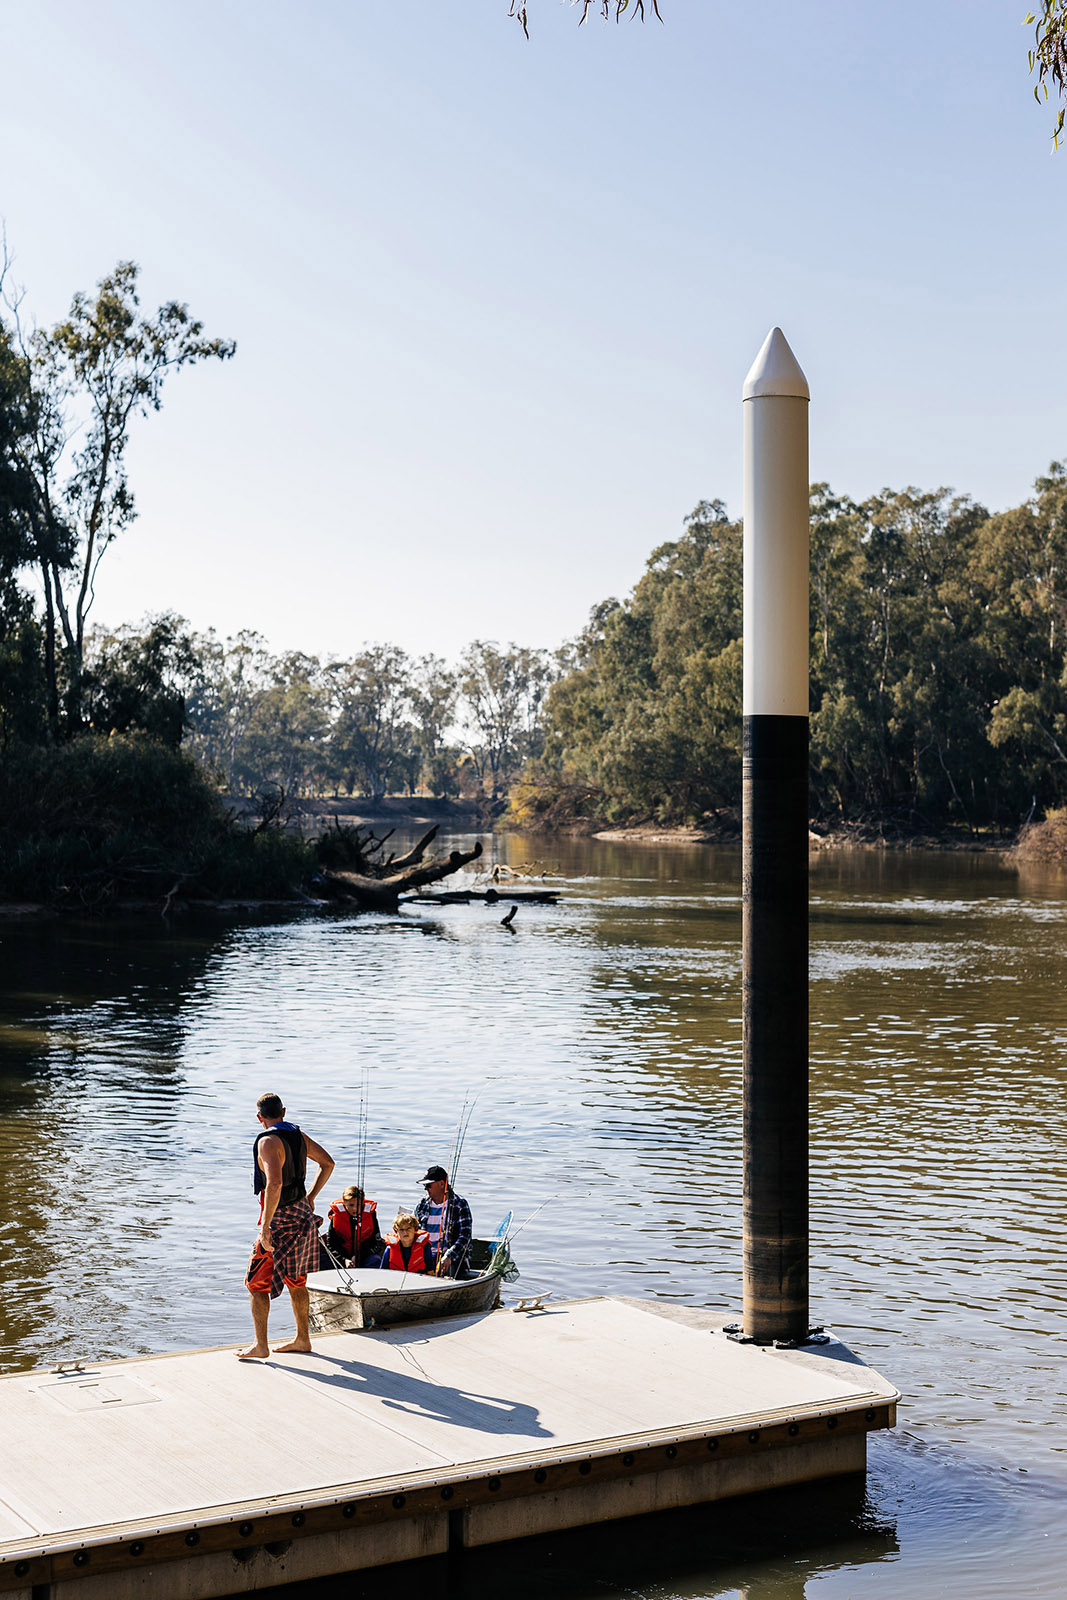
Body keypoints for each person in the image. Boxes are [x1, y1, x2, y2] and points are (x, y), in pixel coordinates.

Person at [238, 1092, 334, 1360]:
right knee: (297, 1280)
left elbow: (275, 1184)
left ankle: (261, 1346)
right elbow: (328, 1163)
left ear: (259, 1118)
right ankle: (303, 1339)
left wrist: (265, 1227)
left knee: (255, 1283)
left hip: (280, 1221)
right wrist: (311, 1197)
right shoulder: (298, 1136)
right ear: (283, 1112)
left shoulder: (268, 1142)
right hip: (302, 1215)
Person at [415, 1164, 472, 1278]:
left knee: (450, 1272)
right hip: (425, 1256)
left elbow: (465, 1236)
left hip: (451, 1259)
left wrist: (449, 1256)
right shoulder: (422, 1204)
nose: (425, 1189)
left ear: (441, 1184)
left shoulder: (460, 1204)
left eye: (428, 1185)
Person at [321, 1184, 382, 1269]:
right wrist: (344, 1260)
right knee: (322, 1259)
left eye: (358, 1205)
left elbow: (377, 1244)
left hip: (364, 1257)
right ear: (344, 1202)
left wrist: (359, 1257)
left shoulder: (371, 1215)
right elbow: (331, 1245)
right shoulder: (336, 1216)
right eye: (351, 1205)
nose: (355, 1209)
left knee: (375, 1260)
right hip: (341, 1258)